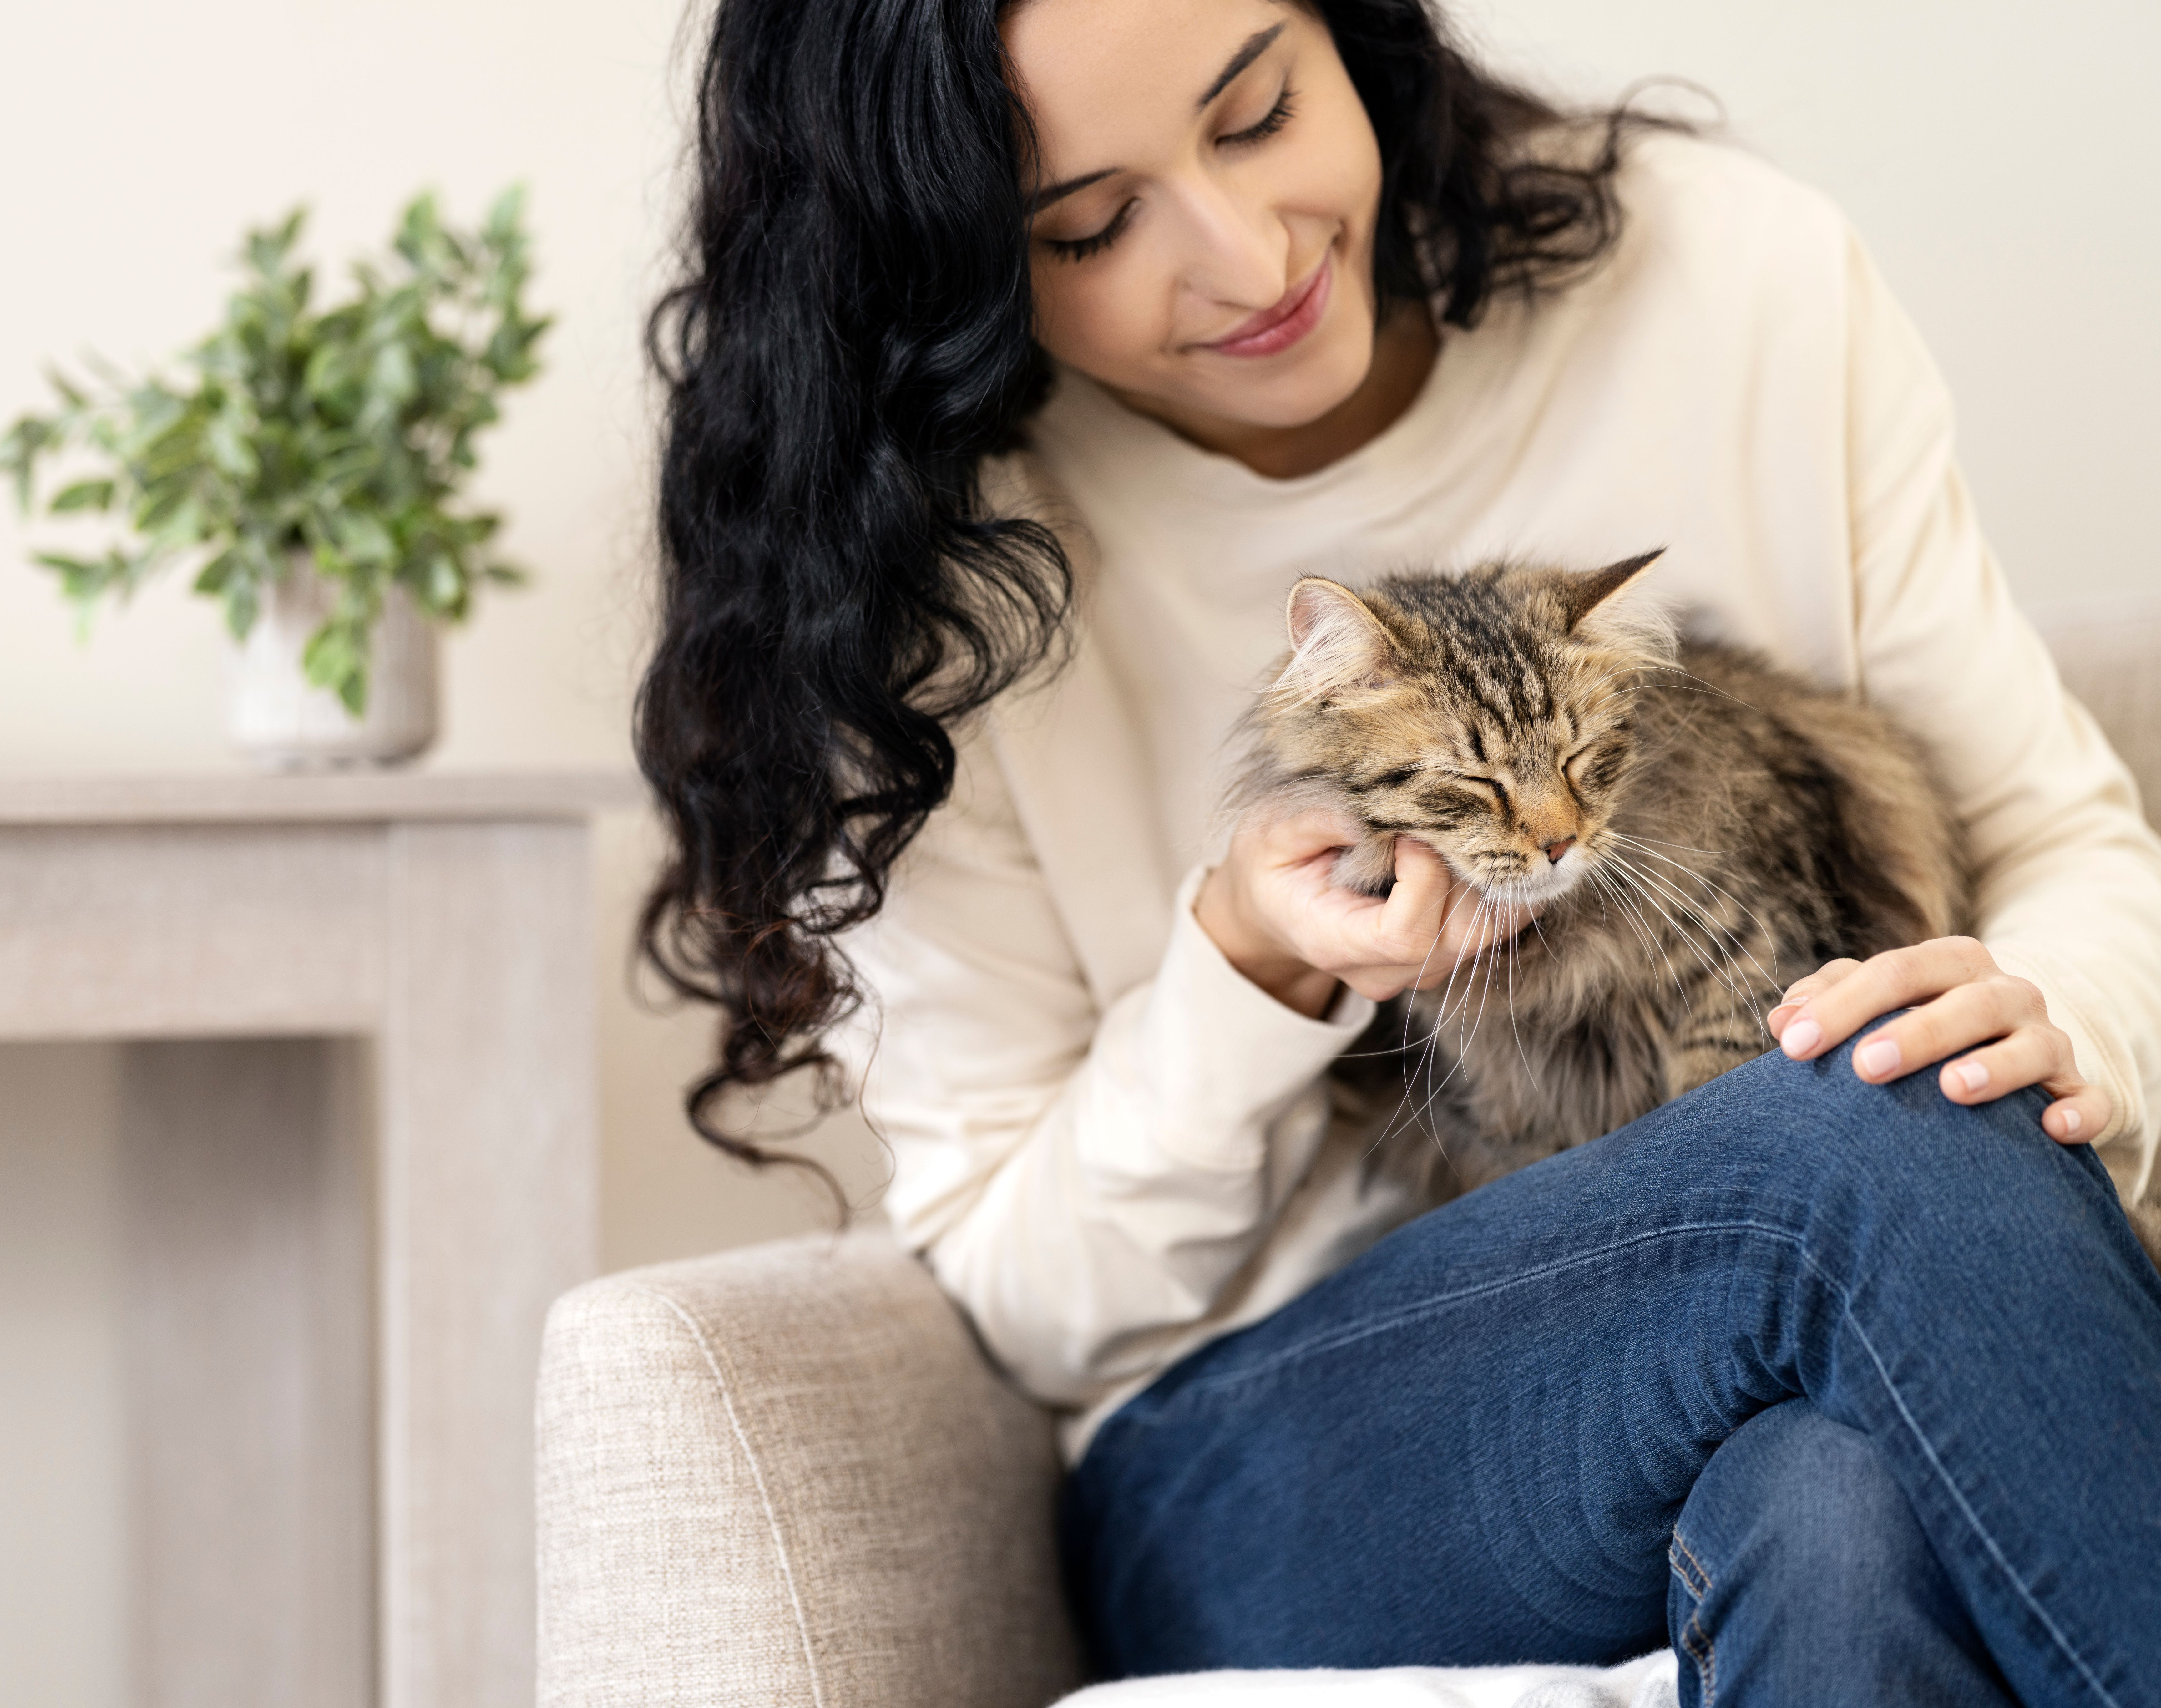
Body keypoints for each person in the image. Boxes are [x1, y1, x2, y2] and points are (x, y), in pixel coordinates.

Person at [634, 0, 2161, 1701]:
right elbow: (1028, 1294)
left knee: (1837, 1507)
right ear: (958, 261)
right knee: (1857, 1130)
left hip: (1808, 1332)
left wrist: (2049, 1021)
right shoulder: (919, 584)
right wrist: (1246, 971)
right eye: (1090, 224)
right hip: (1270, 1464)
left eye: (1261, 111)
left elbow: (2063, 843)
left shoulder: (1737, 284)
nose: (1244, 252)